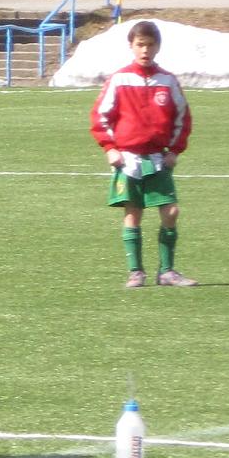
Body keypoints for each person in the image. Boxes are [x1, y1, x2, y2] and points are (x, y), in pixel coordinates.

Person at [93, 20, 195, 288]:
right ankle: (136, 272)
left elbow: (182, 118)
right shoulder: (119, 79)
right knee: (133, 214)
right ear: (131, 46)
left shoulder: (167, 80)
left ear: (158, 47)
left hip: (158, 159)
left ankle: (167, 272)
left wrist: (174, 150)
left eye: (150, 45)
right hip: (129, 159)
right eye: (140, 45)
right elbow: (100, 116)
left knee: (171, 211)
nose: (145, 50)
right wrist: (110, 148)